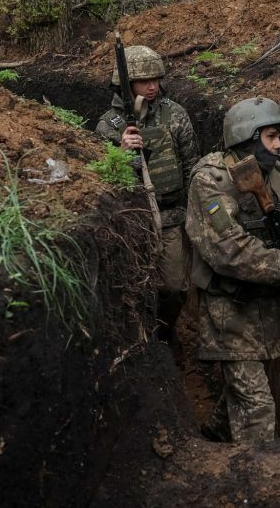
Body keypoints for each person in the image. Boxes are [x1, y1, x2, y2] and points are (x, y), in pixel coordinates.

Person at [185, 97, 280, 443]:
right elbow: (230, 251)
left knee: (251, 393)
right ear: (247, 139)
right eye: (271, 137)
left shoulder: (275, 177)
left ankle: (214, 437)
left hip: (274, 309)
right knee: (257, 408)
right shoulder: (210, 181)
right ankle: (256, 471)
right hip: (232, 314)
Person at [96, 44, 199, 341]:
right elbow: (102, 179)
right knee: (133, 288)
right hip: (130, 221)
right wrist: (120, 152)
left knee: (175, 287)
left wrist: (192, 212)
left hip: (170, 217)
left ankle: (164, 335)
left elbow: (191, 163)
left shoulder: (174, 114)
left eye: (156, 80)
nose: (152, 86)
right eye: (144, 81)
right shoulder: (108, 125)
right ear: (126, 84)